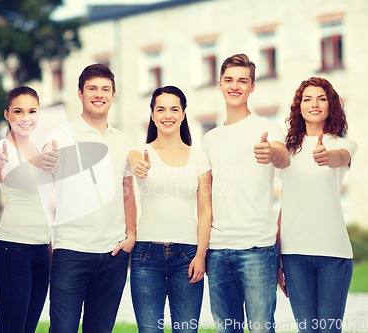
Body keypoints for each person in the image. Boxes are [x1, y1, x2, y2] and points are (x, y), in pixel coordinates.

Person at [43, 63, 137, 333]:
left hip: (113, 253)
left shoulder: (124, 140)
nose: (99, 94)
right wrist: (50, 153)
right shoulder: (62, 132)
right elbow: (50, 151)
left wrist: (131, 234)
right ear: (80, 94)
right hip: (71, 250)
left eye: (105, 89)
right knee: (63, 329)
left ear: (114, 94)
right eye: (92, 89)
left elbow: (127, 190)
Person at [200, 54, 290, 333]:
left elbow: (284, 157)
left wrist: (271, 152)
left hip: (257, 248)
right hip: (217, 249)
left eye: (243, 80)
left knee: (261, 328)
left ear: (252, 87)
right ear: (219, 84)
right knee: (227, 329)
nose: (235, 86)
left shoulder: (267, 128)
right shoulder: (210, 138)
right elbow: (206, 193)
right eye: (229, 80)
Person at [128, 86, 212, 333]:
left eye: (174, 109)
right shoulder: (140, 152)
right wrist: (137, 164)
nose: (168, 115)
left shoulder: (198, 158)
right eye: (160, 109)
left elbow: (205, 210)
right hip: (146, 255)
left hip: (187, 255)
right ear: (152, 115)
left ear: (183, 114)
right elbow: (133, 159)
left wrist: (201, 255)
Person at [277, 77, 357, 333]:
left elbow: (339, 158)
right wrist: (277, 253)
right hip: (294, 254)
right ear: (298, 107)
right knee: (306, 330)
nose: (314, 104)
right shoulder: (288, 151)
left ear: (330, 105)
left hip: (333, 253)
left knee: (329, 329)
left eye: (321, 98)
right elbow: (286, 202)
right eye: (307, 98)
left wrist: (327, 156)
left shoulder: (342, 144)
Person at [0, 86, 51, 333]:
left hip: (41, 250)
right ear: (7, 115)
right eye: (18, 111)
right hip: (12, 249)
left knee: (29, 327)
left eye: (32, 111)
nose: (26, 117)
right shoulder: (1, 148)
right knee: (12, 328)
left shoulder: (40, 148)